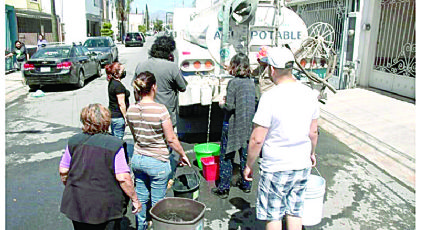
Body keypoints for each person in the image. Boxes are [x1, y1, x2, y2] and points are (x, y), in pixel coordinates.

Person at [243, 47, 320, 230]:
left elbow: (257, 139)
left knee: (274, 215)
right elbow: (313, 132)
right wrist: (312, 153)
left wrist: (248, 165)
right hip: (301, 164)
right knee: (294, 211)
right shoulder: (310, 94)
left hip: (276, 166)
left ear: (272, 70)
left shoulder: (269, 97)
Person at [59, 103, 142, 230]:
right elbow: (123, 178)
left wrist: (71, 185)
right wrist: (135, 199)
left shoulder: (74, 141)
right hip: (106, 207)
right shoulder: (114, 144)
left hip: (77, 203)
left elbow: (63, 171)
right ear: (106, 121)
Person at [126, 71, 191, 230]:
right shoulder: (160, 110)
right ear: (154, 87)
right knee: (158, 202)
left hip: (138, 159)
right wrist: (182, 154)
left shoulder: (131, 110)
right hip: (157, 161)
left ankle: (141, 227)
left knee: (140, 198)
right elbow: (171, 139)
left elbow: (135, 137)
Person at [133, 35, 187, 188]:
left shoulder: (141, 65)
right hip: (165, 115)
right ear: (169, 51)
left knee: (146, 145)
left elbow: (135, 88)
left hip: (144, 113)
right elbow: (182, 87)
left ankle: (146, 177)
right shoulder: (171, 67)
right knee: (166, 147)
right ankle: (166, 178)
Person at [211, 53, 256, 199]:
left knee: (226, 156)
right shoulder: (251, 82)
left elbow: (230, 107)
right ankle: (246, 184)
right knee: (245, 156)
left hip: (232, 125)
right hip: (248, 124)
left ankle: (224, 188)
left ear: (234, 66)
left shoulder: (233, 83)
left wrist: (221, 104)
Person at [106, 62, 130, 139]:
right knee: (118, 139)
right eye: (122, 71)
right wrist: (125, 117)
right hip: (118, 116)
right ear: (117, 74)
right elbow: (121, 103)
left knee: (114, 137)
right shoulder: (118, 86)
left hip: (113, 115)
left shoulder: (112, 82)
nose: (124, 72)